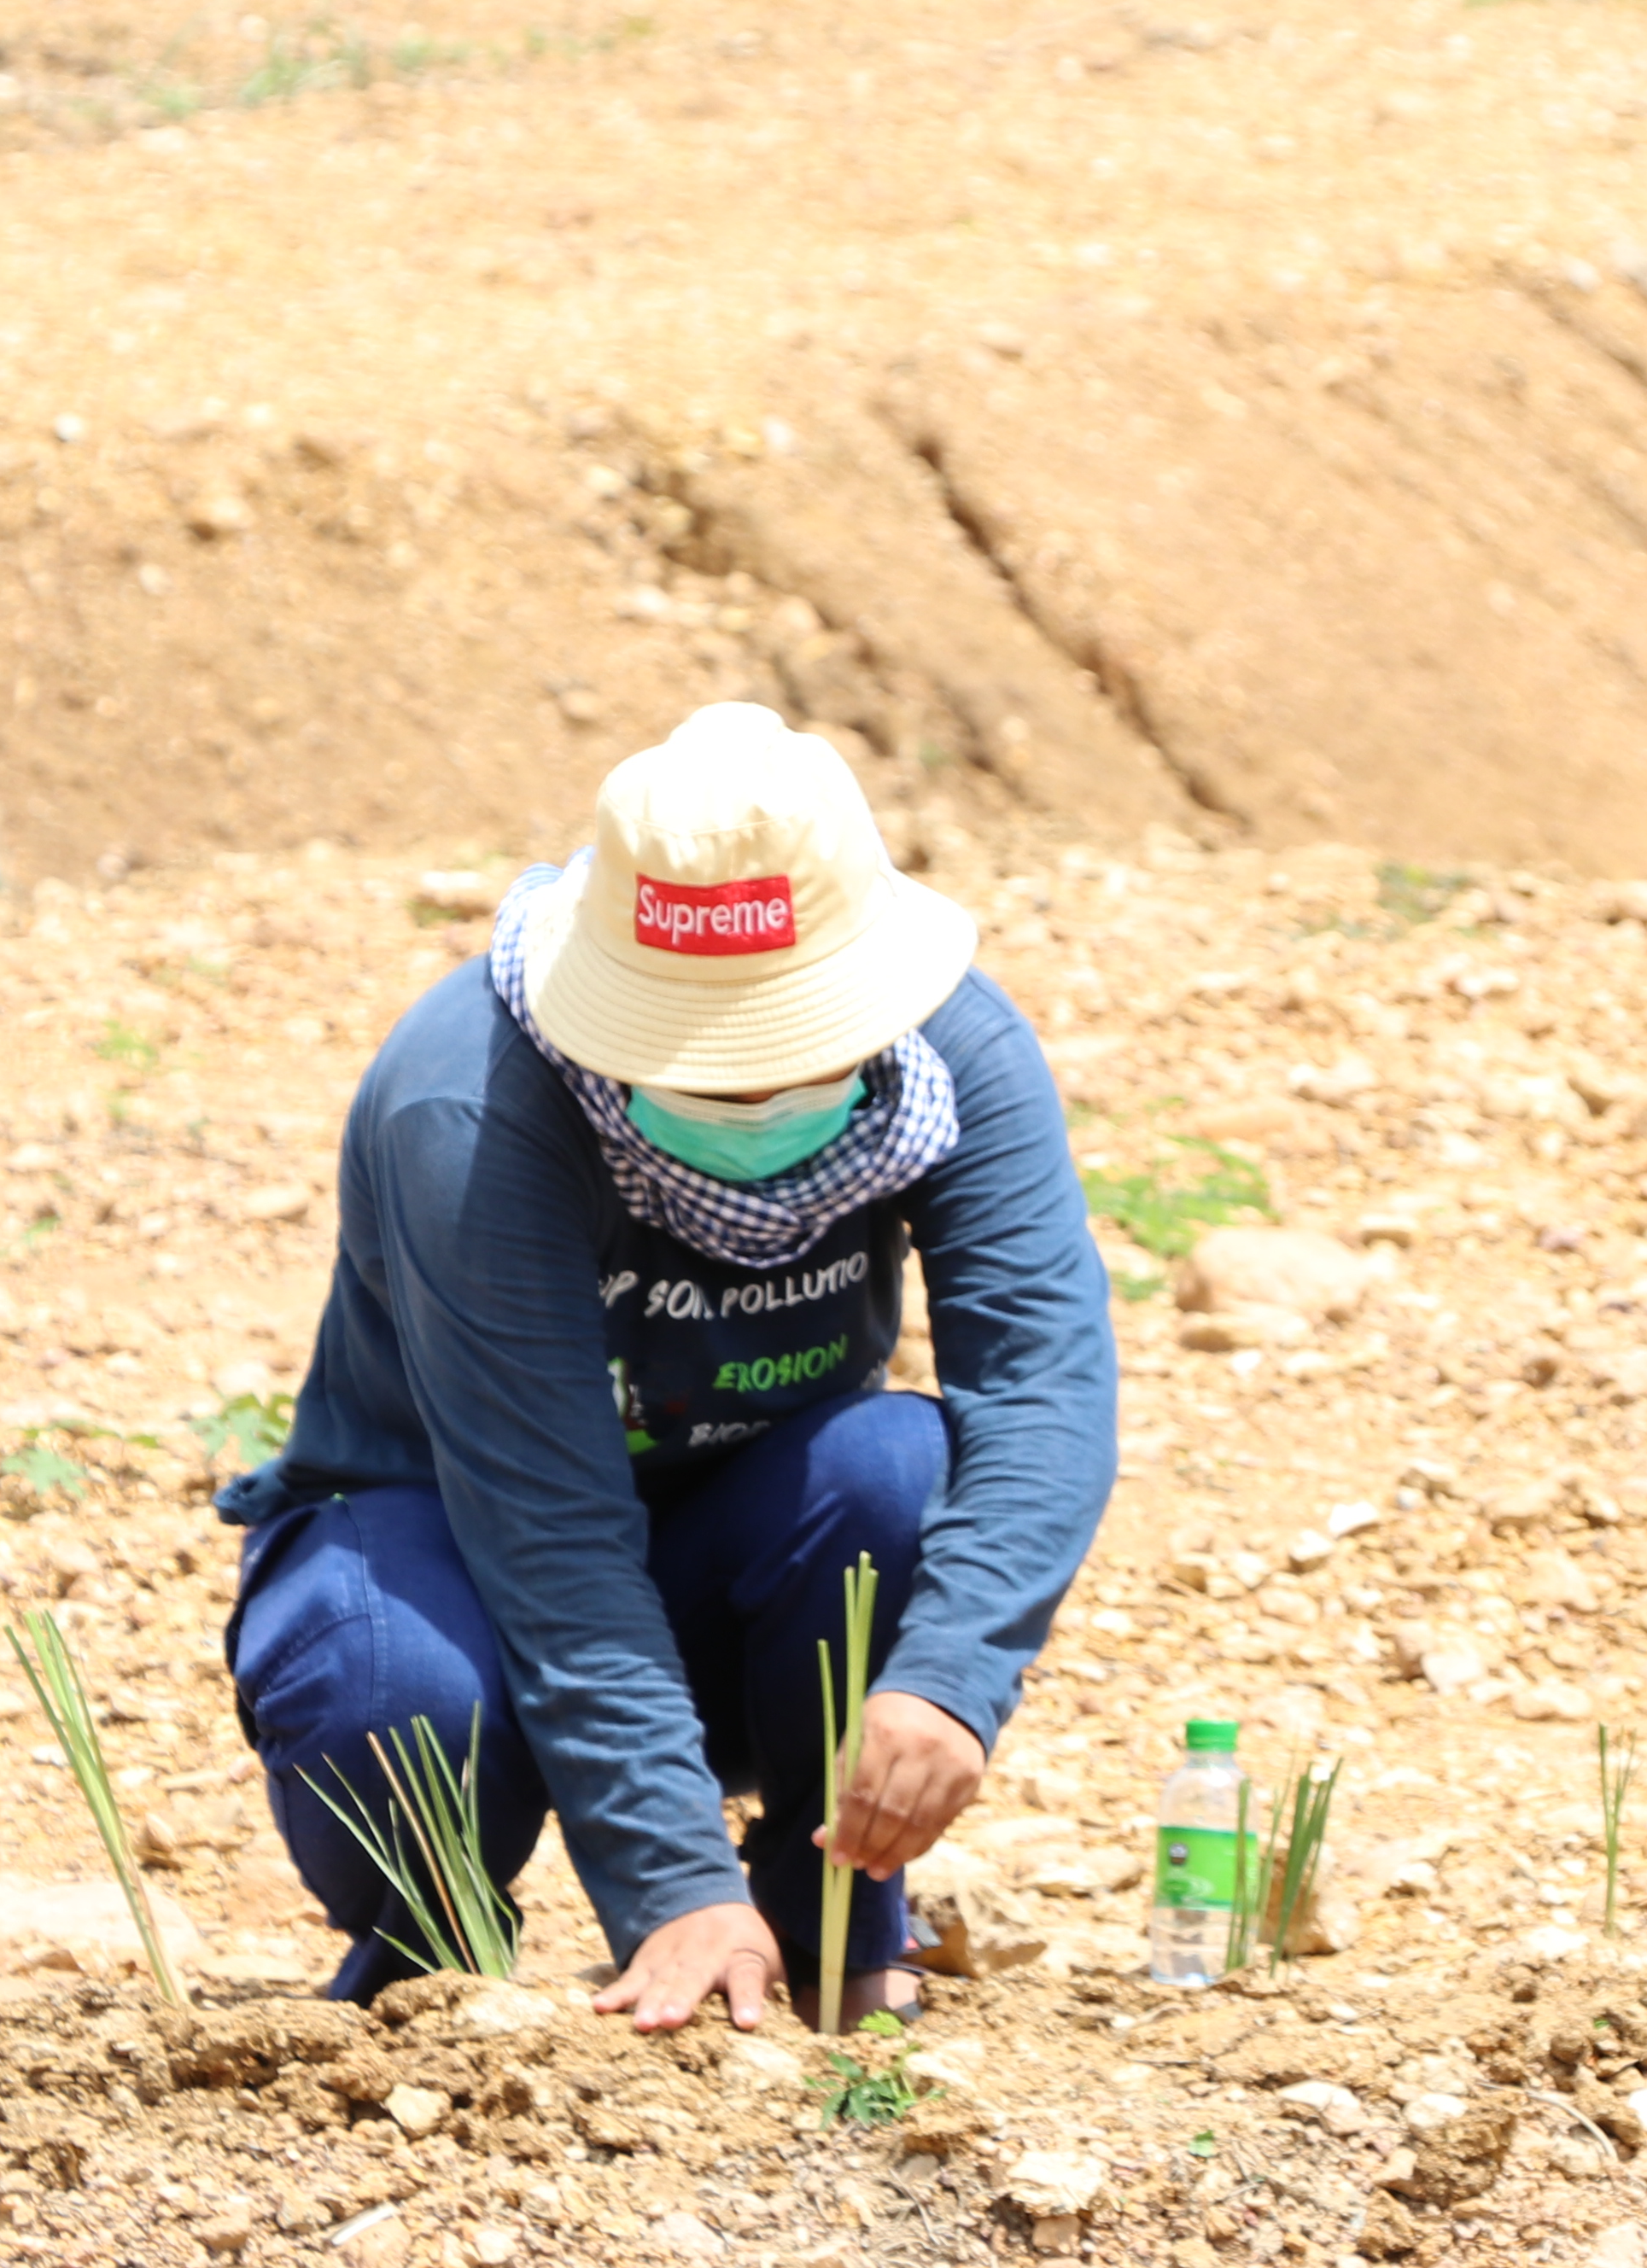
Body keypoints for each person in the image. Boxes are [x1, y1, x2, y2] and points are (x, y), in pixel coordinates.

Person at [216, 703, 1118, 2032]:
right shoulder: (468, 1104)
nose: (751, 1105)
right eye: (703, 1070)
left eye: (786, 1056)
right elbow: (550, 1527)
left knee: (896, 1481)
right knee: (389, 1696)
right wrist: (669, 1884)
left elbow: (1042, 1385)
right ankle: (428, 1979)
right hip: (447, 1552)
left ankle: (829, 1929)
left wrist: (952, 1675)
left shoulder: (957, 1051)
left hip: (732, 1565)